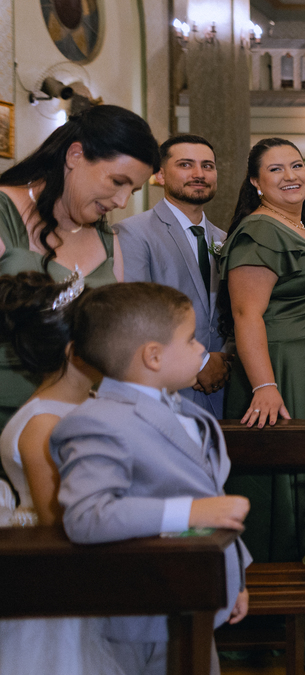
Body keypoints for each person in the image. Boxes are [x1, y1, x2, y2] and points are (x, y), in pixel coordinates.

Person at [49, 282, 251, 675]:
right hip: (138, 616)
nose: (200, 348)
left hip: (192, 599)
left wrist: (233, 577)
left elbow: (209, 490)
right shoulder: (97, 422)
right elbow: (87, 516)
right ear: (153, 356)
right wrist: (191, 512)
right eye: (190, 339)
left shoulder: (184, 409)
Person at [219, 138, 305, 563]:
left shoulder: (299, 224)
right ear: (255, 182)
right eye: (275, 169)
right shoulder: (259, 230)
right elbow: (246, 314)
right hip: (286, 367)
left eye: (296, 165)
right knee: (294, 474)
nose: (290, 176)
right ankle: (290, 572)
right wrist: (264, 385)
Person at [0, 105, 159, 427]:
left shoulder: (106, 237)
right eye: (117, 181)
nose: (122, 202)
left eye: (132, 190)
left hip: (81, 420)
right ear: (75, 155)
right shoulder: (5, 211)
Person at [0, 272, 124, 675]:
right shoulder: (44, 425)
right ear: (75, 353)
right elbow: (57, 521)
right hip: (55, 580)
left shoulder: (84, 403)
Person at [116, 135, 229, 418]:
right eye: (185, 165)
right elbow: (138, 312)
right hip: (170, 386)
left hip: (226, 382)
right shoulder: (134, 233)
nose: (199, 174)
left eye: (207, 166)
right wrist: (200, 361)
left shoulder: (225, 239)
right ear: (160, 175)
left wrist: (225, 357)